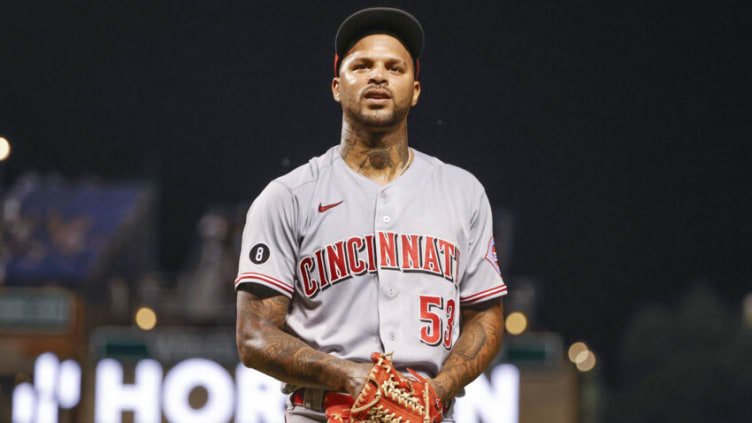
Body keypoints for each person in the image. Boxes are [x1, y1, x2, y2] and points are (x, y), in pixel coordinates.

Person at [235, 7, 507, 422]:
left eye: (393, 67)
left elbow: (485, 315)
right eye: (361, 66)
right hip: (321, 413)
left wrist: (440, 388)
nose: (378, 76)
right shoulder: (288, 196)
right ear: (336, 87)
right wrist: (346, 375)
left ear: (415, 90)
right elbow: (254, 336)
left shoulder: (463, 192)